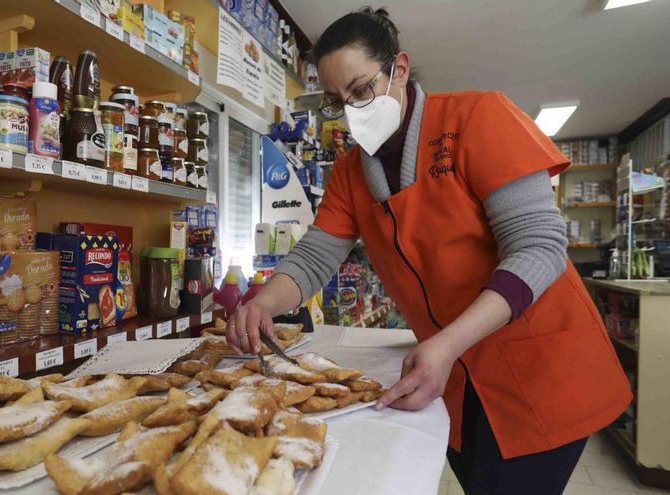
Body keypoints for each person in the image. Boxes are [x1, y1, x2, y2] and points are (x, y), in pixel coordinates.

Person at [226, 7, 632, 494]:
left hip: (540, 366)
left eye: (361, 90)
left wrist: (447, 343)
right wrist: (265, 302)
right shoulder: (351, 171)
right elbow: (316, 256)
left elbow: (538, 246)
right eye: (337, 101)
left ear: (398, 68)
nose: (352, 110)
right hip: (454, 371)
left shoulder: (477, 118)